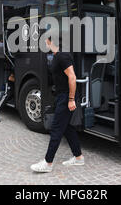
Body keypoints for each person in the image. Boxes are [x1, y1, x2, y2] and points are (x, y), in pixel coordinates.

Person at [30, 34, 84, 173]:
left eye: (46, 41)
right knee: (67, 128)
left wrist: (71, 99)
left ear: (51, 41)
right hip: (61, 96)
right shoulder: (56, 56)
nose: (45, 44)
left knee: (56, 128)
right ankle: (78, 157)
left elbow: (72, 77)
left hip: (66, 98)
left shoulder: (62, 56)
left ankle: (48, 163)